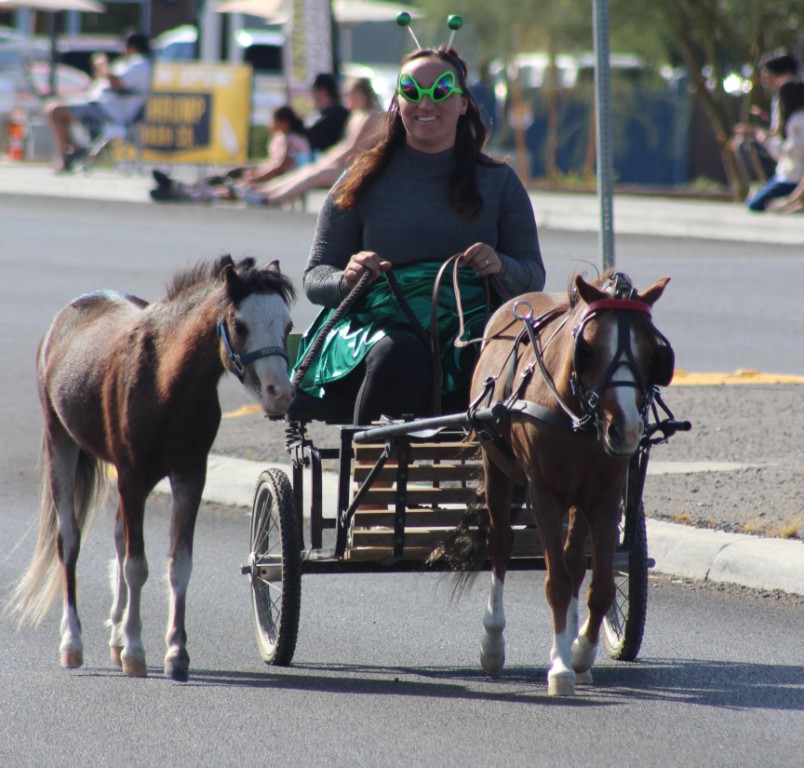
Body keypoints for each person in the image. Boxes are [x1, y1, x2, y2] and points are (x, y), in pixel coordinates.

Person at [292, 46, 545, 425]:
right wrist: (346, 277)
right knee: (401, 354)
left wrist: (500, 265)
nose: (426, 103)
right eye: (412, 91)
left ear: (462, 104)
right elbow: (315, 278)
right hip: (378, 330)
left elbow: (533, 276)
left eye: (441, 91)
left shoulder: (499, 182)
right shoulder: (361, 179)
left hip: (473, 329)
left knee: (492, 353)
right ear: (397, 103)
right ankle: (377, 475)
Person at [245, 78, 383, 207]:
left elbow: (354, 150)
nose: (344, 97)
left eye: (348, 93)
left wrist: (326, 163)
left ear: (358, 93)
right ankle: (264, 190)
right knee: (310, 169)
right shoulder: (357, 115)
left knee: (317, 173)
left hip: (362, 170)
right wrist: (325, 160)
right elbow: (344, 146)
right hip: (351, 166)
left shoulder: (371, 116)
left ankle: (269, 199)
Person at [149, 105, 310, 203]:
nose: (269, 124)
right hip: (276, 178)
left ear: (283, 123)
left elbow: (279, 168)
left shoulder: (292, 141)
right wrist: (254, 171)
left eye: (272, 120)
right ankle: (185, 186)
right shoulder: (283, 138)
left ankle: (189, 191)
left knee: (234, 183)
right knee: (231, 173)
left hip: (282, 182)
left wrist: (254, 177)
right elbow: (274, 165)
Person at [46, 31, 152, 172]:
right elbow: (107, 79)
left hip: (110, 110)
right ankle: (73, 150)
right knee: (53, 107)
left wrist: (103, 64)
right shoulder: (128, 63)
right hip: (100, 105)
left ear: (131, 47)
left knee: (55, 111)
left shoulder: (140, 63)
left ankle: (68, 153)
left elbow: (117, 83)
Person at [738, 53, 804, 212]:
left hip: (793, 175)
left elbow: (797, 151)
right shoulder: (792, 116)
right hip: (787, 170)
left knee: (755, 205)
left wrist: (766, 140)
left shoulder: (797, 119)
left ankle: (791, 200)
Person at [306, 73, 350, 154]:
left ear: (323, 92)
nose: (311, 95)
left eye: (313, 90)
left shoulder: (336, 116)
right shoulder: (320, 115)